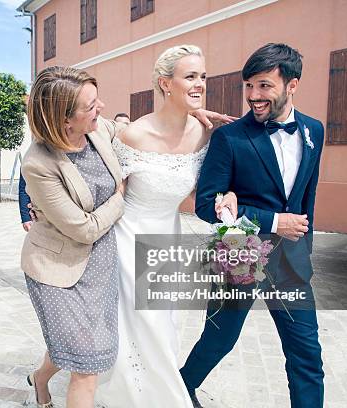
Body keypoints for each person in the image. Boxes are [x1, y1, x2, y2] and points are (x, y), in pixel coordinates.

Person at [180, 43, 325, 408]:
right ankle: (180, 390)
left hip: (291, 265)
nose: (253, 96)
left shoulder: (313, 131)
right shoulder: (230, 138)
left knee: (306, 355)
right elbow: (204, 205)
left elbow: (307, 197)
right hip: (238, 259)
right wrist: (274, 221)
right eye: (249, 86)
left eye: (264, 86)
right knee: (219, 340)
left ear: (292, 85)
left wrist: (303, 250)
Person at [95, 45, 237, 407]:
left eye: (203, 76)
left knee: (162, 325)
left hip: (168, 235)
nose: (200, 84)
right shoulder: (133, 137)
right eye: (190, 76)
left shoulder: (205, 134)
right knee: (145, 325)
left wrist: (226, 197)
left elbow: (205, 190)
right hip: (128, 237)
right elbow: (108, 191)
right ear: (165, 83)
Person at [21, 66, 127, 408]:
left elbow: (127, 128)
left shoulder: (97, 131)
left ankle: (39, 378)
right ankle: (42, 381)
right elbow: (84, 228)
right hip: (57, 272)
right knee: (87, 362)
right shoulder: (38, 163)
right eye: (92, 105)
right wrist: (121, 196)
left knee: (77, 348)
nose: (102, 107)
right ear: (65, 119)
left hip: (100, 265)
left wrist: (190, 114)